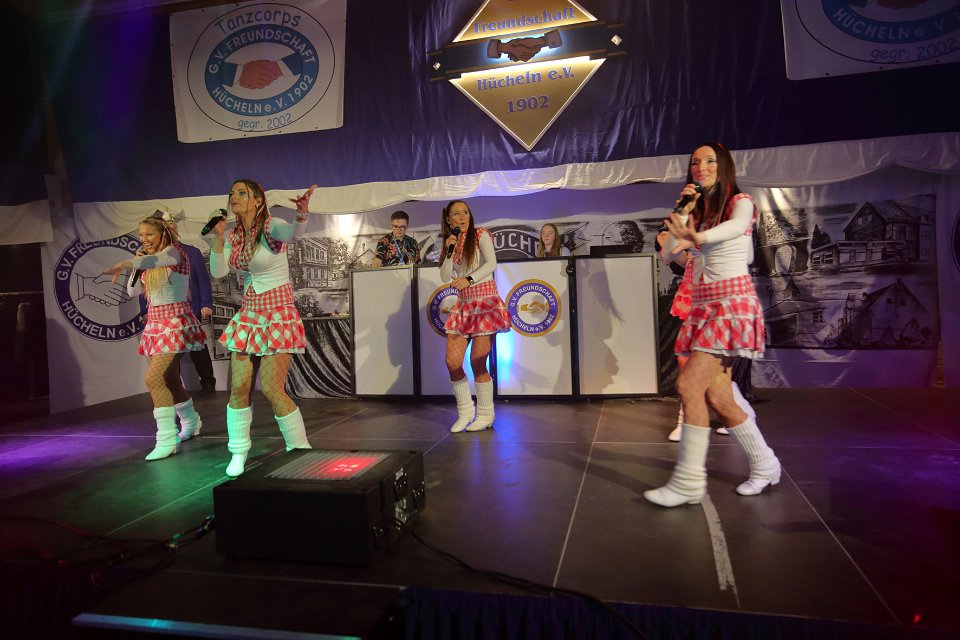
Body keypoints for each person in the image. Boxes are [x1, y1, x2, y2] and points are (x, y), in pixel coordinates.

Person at [645, 143, 780, 507]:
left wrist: (699, 237)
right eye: (695, 162)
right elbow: (667, 252)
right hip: (704, 306)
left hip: (732, 304)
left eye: (709, 161)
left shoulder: (740, 202)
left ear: (724, 167)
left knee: (688, 383)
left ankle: (688, 482)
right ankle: (766, 464)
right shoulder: (696, 212)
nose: (701, 167)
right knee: (719, 397)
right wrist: (682, 213)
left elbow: (735, 227)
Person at [209, 179, 317, 477]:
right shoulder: (234, 235)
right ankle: (238, 452)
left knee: (271, 388)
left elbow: (294, 234)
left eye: (241, 193)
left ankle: (300, 448)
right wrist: (218, 236)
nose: (234, 197)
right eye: (232, 193)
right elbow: (219, 271)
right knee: (238, 387)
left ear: (258, 200)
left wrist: (302, 214)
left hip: (278, 313)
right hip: (249, 314)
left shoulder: (272, 226)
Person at [102, 215, 206, 461]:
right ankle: (192, 422)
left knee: (153, 378)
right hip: (157, 323)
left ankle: (167, 439)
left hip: (175, 322)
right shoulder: (145, 262)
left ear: (163, 234)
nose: (144, 239)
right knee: (169, 378)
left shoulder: (174, 252)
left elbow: (159, 259)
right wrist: (135, 266)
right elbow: (133, 292)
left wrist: (128, 262)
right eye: (141, 235)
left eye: (149, 234)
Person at [655, 232, 756, 442]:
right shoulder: (695, 224)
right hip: (693, 294)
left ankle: (691, 421)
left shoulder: (729, 226)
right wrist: (671, 246)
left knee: (709, 364)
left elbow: (744, 258)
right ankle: (738, 412)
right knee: (693, 362)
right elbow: (687, 261)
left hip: (719, 295)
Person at [439, 200, 512, 433]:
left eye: (465, 213)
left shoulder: (481, 234)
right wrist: (448, 251)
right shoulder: (451, 242)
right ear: (449, 219)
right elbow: (445, 276)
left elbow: (492, 263)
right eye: (456, 214)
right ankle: (465, 412)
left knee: (478, 361)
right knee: (452, 362)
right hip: (464, 306)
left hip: (485, 303)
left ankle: (486, 414)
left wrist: (468, 280)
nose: (462, 217)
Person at [138, 214, 217, 395]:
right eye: (167, 228)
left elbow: (203, 279)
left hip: (189, 310)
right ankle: (175, 385)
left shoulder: (190, 252)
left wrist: (206, 303)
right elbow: (144, 287)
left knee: (198, 349)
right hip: (162, 316)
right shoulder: (148, 256)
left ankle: (207, 382)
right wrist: (144, 311)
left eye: (173, 228)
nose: (171, 231)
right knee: (168, 355)